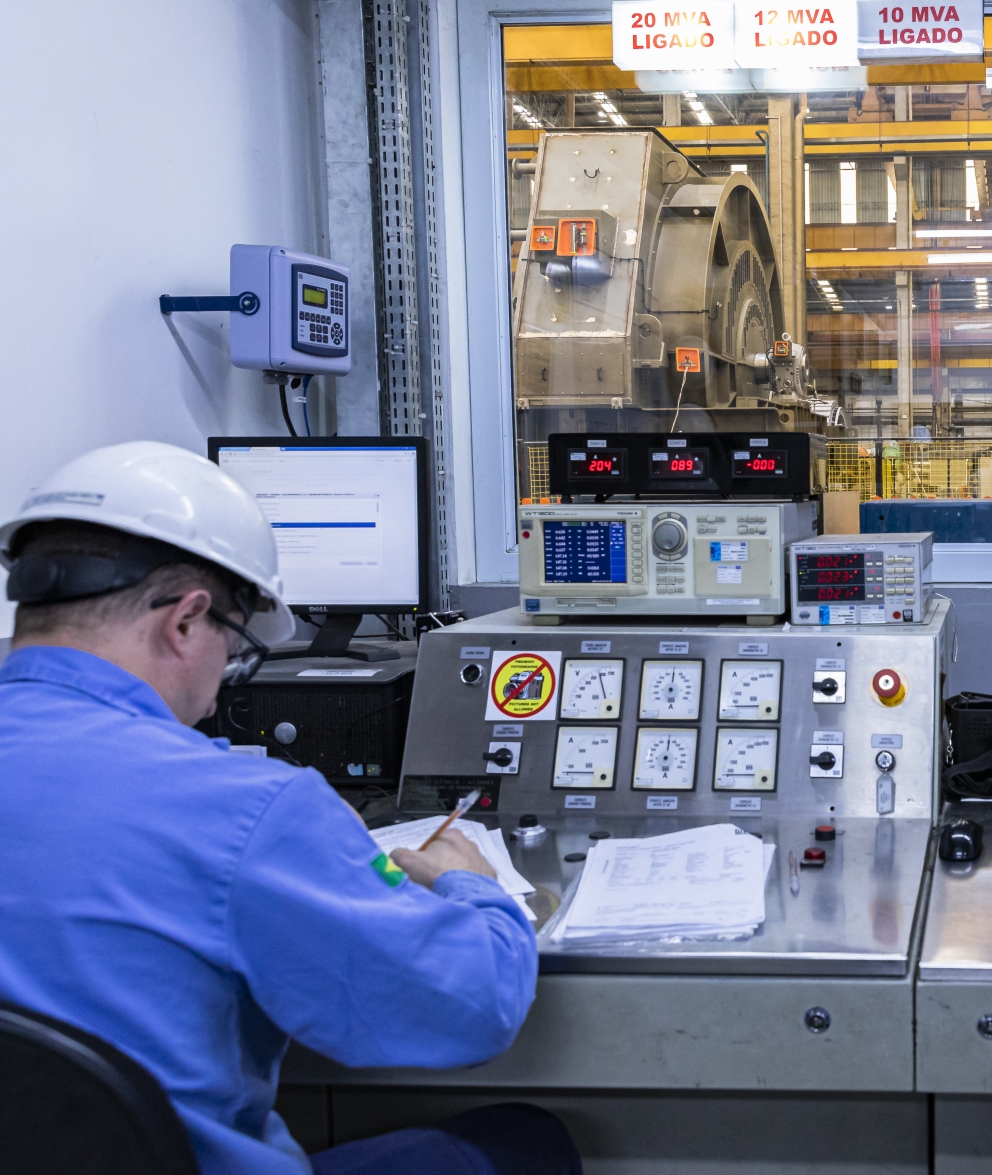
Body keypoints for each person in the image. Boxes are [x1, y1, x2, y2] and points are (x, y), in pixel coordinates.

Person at [0, 442, 579, 1175]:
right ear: (185, 622)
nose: (219, 695)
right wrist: (477, 889)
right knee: (526, 1143)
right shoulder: (244, 809)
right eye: (238, 650)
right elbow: (471, 1006)